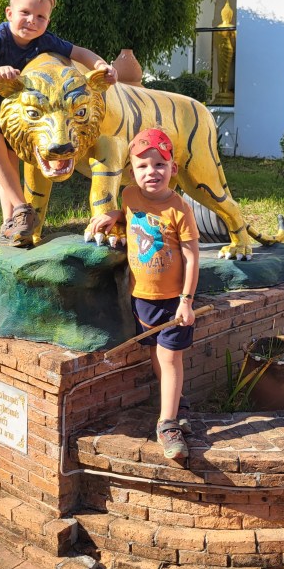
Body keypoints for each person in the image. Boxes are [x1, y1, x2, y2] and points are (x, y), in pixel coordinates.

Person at [0, 0, 117, 247]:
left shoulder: (45, 40)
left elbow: (80, 52)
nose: (32, 21)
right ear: (9, 13)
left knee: (9, 167)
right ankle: (22, 209)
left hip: (23, 109)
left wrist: (101, 66)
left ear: (48, 21)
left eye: (41, 17)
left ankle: (12, 227)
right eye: (25, 13)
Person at [88, 128, 199, 464]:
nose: (152, 172)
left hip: (173, 301)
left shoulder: (180, 209)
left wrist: (186, 301)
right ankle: (178, 404)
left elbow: (192, 256)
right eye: (143, 166)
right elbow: (130, 214)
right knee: (156, 353)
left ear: (173, 169)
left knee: (169, 358)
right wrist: (114, 215)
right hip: (142, 298)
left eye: (159, 164)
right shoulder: (129, 195)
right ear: (131, 172)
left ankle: (168, 425)